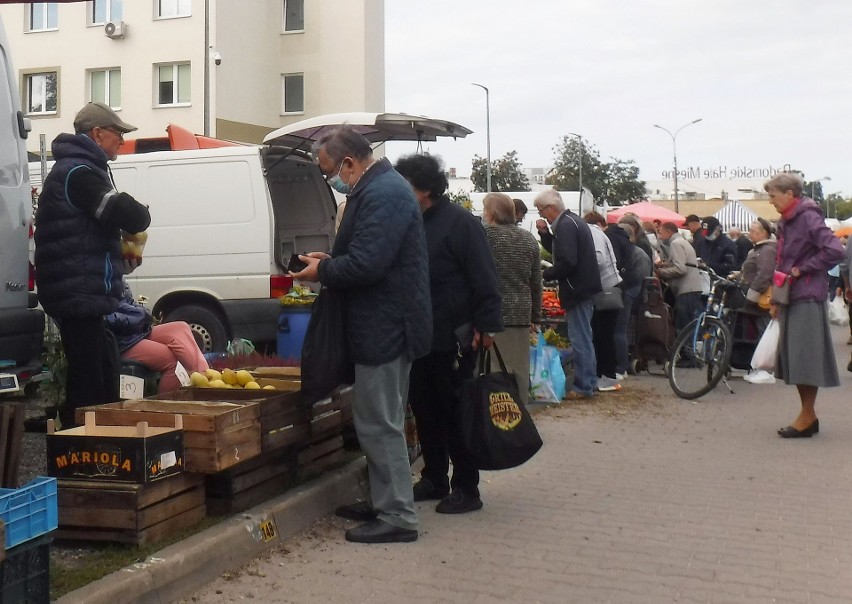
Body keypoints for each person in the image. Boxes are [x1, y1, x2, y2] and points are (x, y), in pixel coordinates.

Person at [291, 126, 432, 543]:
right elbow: (371, 256)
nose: (328, 179)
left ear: (348, 164)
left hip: (386, 327)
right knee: (376, 418)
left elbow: (368, 266)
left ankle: (398, 516)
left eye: (328, 171)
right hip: (383, 323)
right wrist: (332, 259)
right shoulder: (378, 189)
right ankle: (384, 500)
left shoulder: (383, 193)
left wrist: (325, 270)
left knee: (379, 421)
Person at [394, 154, 503, 514]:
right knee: (424, 408)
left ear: (424, 189)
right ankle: (435, 477)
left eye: (405, 184)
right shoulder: (410, 220)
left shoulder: (460, 224)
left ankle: (467, 487)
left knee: (456, 410)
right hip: (419, 334)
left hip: (455, 335)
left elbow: (484, 277)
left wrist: (486, 325)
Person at [34, 102, 151, 428]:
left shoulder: (81, 169)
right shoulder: (78, 172)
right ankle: (82, 447)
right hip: (77, 294)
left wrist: (120, 262)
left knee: (104, 364)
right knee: (90, 379)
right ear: (97, 134)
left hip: (80, 292)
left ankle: (92, 439)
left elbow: (86, 237)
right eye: (118, 134)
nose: (122, 141)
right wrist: (142, 213)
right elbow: (122, 211)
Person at [765, 173, 844, 439]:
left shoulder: (808, 217)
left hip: (807, 295)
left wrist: (802, 270)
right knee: (796, 359)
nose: (770, 201)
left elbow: (835, 251)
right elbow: (783, 261)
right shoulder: (788, 221)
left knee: (805, 358)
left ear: (790, 194)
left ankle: (807, 416)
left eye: (773, 195)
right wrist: (777, 297)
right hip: (792, 295)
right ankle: (807, 415)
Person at [534, 190, 601, 399]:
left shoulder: (565, 225)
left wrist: (548, 273)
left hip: (576, 288)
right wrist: (545, 235)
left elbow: (568, 261)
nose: (542, 215)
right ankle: (589, 381)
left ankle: (583, 386)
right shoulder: (572, 222)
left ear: (550, 208)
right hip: (583, 287)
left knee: (579, 338)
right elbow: (561, 251)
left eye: (541, 210)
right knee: (584, 337)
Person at [482, 192, 542, 405]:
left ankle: (495, 422)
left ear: (490, 213)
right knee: (518, 371)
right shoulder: (528, 238)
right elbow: (536, 282)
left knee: (494, 373)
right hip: (521, 314)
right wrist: (536, 315)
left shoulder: (485, 236)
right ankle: (521, 419)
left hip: (493, 316)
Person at [105, 284, 209, 394]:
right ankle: (164, 406)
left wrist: (141, 313)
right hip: (119, 342)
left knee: (181, 327)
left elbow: (128, 303)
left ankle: (206, 378)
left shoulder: (115, 272)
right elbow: (106, 319)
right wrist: (139, 316)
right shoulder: (100, 274)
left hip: (132, 333)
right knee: (172, 360)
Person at [583, 212, 624, 391]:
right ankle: (604, 374)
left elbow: (599, 259)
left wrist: (581, 271)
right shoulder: (598, 233)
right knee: (602, 334)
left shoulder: (593, 233)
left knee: (604, 335)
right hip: (609, 287)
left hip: (606, 289)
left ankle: (608, 376)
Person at [734, 218, 777, 384]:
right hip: (758, 295)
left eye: (752, 231)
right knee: (762, 330)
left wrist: (752, 292)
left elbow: (765, 274)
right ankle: (762, 368)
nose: (749, 234)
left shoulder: (766, 250)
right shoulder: (760, 249)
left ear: (763, 233)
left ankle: (766, 369)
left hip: (761, 297)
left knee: (764, 331)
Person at [654, 222, 704, 334]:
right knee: (690, 324)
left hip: (686, 290)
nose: (660, 237)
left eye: (661, 233)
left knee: (684, 327)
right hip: (692, 288)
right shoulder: (682, 242)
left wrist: (660, 272)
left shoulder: (675, 244)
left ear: (669, 232)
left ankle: (687, 350)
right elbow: (683, 263)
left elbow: (681, 269)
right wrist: (666, 264)